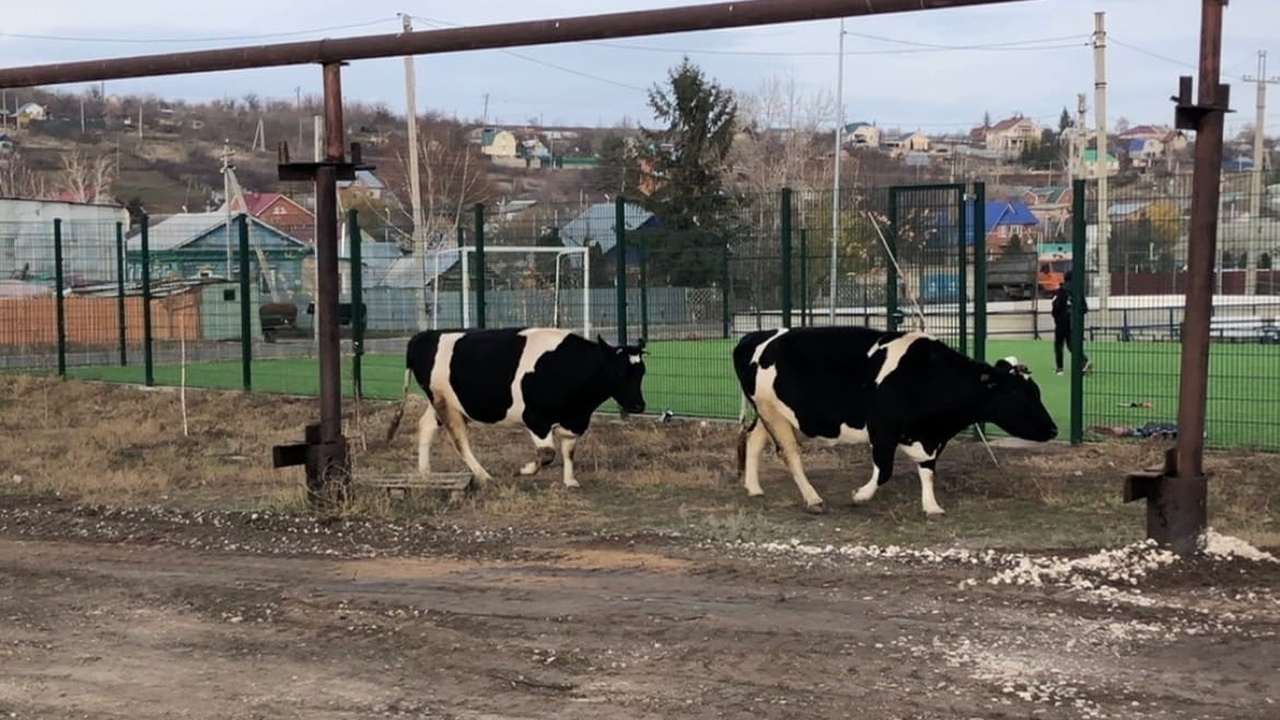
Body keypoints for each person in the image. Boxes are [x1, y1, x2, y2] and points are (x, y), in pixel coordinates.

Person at [1051, 270, 1091, 376]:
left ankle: (1060, 369)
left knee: (1059, 345)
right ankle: (1084, 361)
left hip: (1061, 322)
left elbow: (1056, 307)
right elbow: (1085, 309)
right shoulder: (1078, 291)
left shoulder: (1061, 290)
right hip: (1074, 323)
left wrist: (1057, 318)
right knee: (1072, 345)